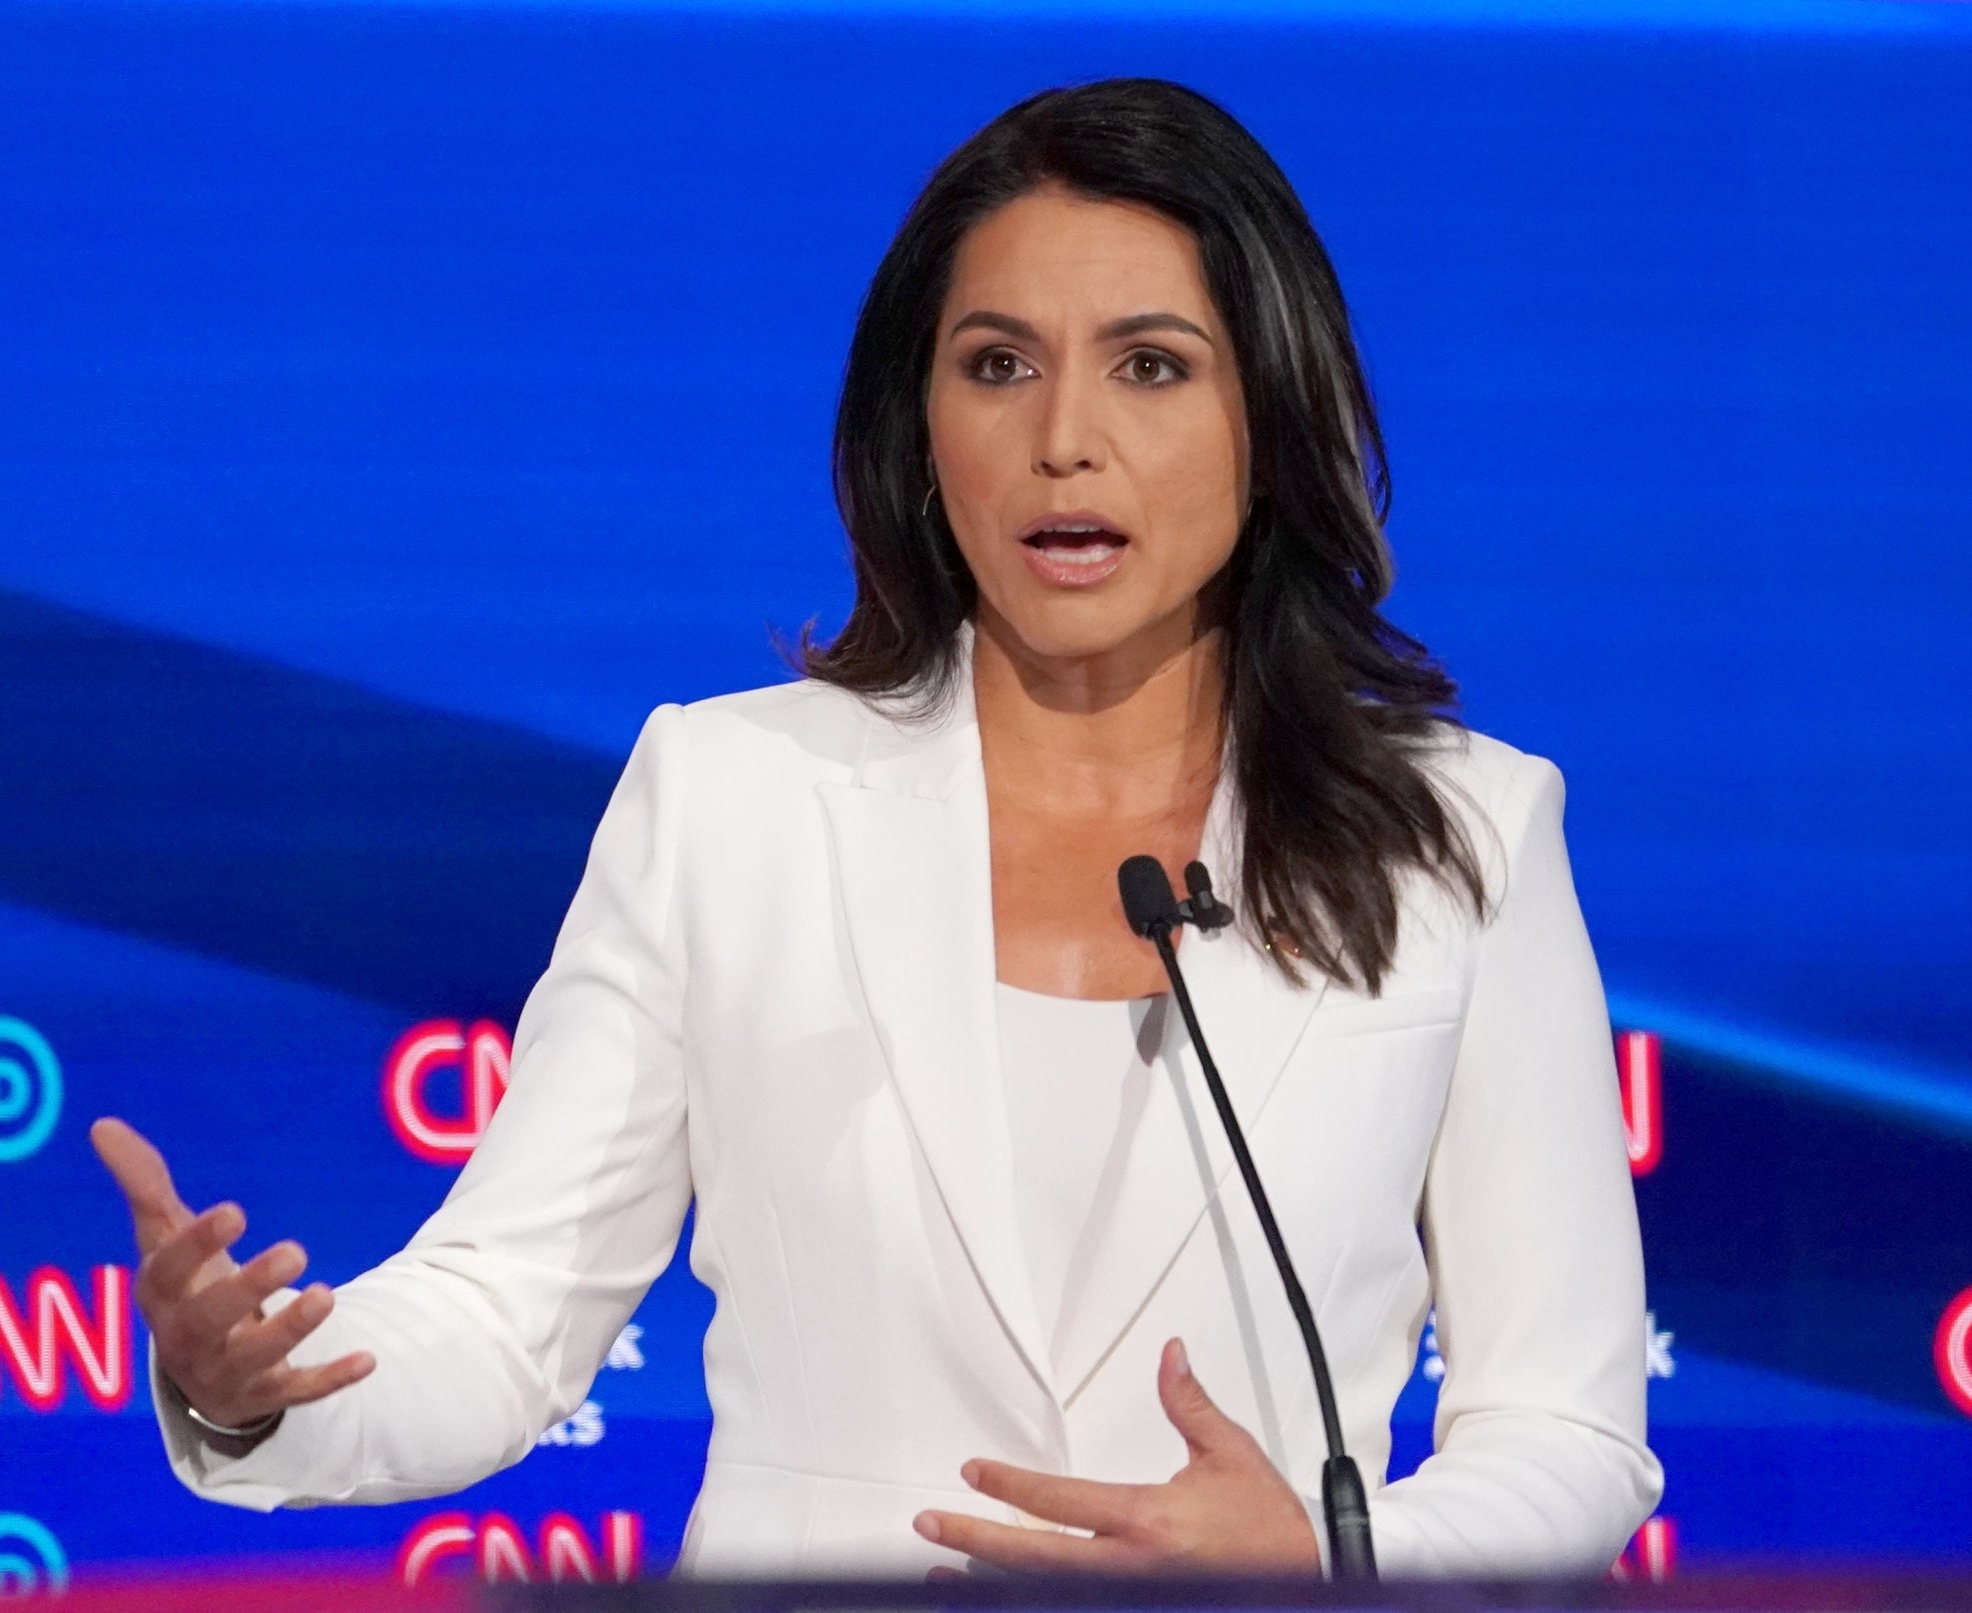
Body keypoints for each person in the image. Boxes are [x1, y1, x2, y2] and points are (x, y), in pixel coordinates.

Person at [91, 77, 1662, 1578]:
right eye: (996, 364)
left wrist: (1337, 1558)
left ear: (1272, 414)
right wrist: (268, 1384)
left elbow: (1565, 1424)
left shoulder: (1463, 833)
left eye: (1151, 364)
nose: (1065, 437)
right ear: (921, 427)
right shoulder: (731, 798)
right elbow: (508, 1306)